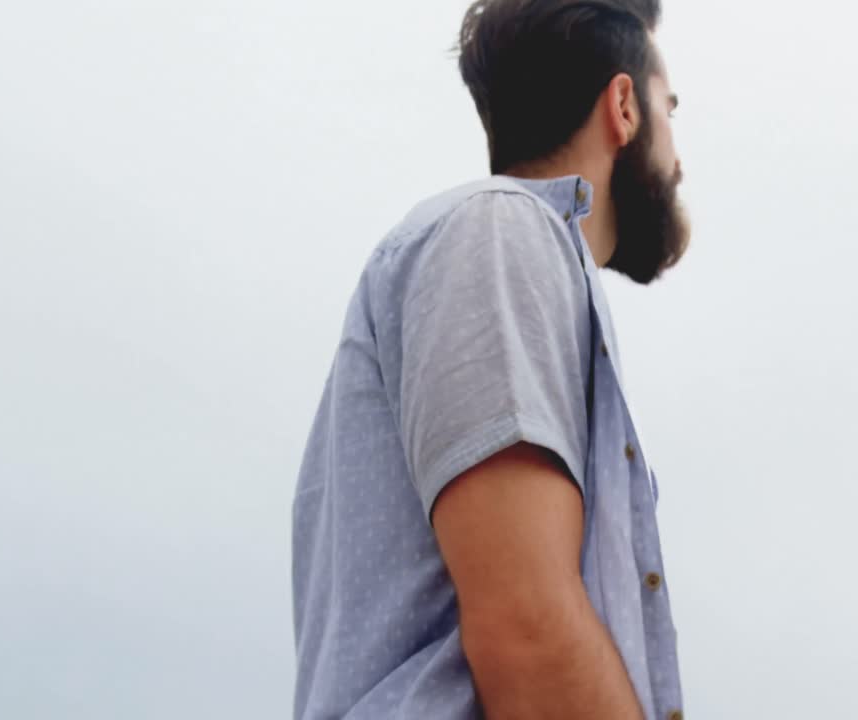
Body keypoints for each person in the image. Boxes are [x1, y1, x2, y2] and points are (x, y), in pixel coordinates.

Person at [291, 1, 691, 717]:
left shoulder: (519, 255)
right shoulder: (502, 232)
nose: (680, 159)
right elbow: (526, 629)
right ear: (624, 106)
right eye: (672, 109)